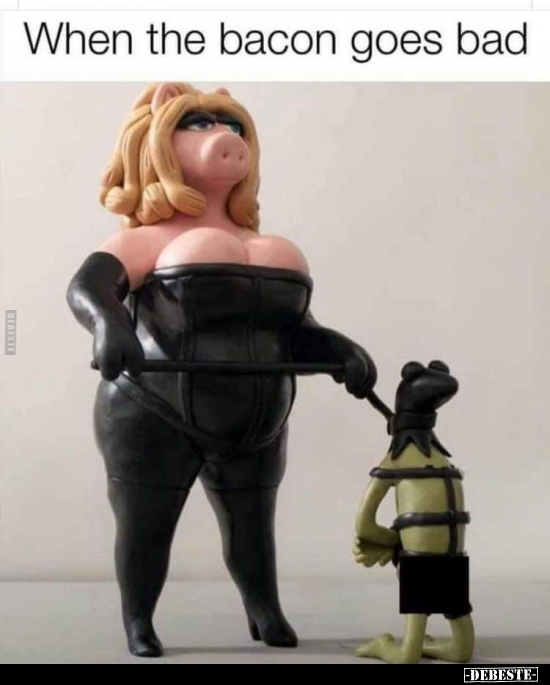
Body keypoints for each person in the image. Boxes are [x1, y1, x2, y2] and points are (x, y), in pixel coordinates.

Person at [67, 82, 377, 657]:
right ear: (158, 143)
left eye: (233, 127)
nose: (225, 137)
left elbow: (292, 329)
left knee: (253, 524)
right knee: (147, 524)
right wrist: (108, 325)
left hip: (257, 414)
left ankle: (265, 610)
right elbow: (90, 287)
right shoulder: (146, 240)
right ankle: (139, 620)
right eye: (200, 125)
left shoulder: (256, 242)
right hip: (153, 408)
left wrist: (340, 351)